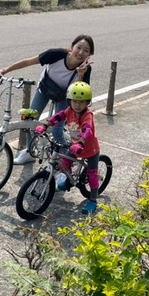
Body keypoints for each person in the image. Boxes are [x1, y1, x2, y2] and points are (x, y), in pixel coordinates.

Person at [0, 35, 94, 164]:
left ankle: (65, 161)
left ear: (90, 54)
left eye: (86, 50)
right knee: (29, 121)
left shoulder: (86, 69)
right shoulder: (56, 54)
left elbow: (81, 94)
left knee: (57, 131)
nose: (80, 52)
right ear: (72, 47)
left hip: (64, 97)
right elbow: (29, 61)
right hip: (44, 89)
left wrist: (80, 74)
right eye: (78, 47)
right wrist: (4, 70)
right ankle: (30, 152)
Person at [34, 81, 100, 214]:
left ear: (87, 102)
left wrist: (80, 143)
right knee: (64, 163)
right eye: (74, 101)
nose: (77, 105)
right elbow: (57, 117)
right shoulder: (69, 110)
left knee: (92, 175)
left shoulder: (87, 115)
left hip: (89, 149)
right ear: (69, 101)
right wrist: (45, 125)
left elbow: (88, 130)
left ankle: (93, 200)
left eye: (81, 102)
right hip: (74, 146)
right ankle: (69, 182)